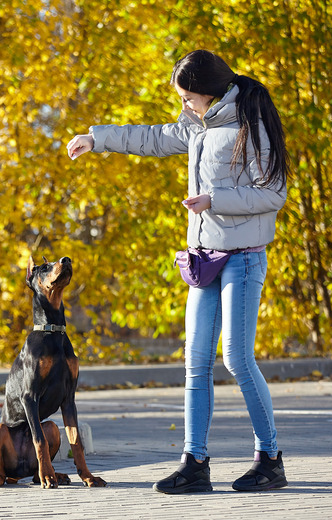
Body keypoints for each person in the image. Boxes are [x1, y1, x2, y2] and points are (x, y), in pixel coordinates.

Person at [66, 50, 290, 493]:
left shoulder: (251, 123)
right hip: (204, 257)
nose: (185, 105)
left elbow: (273, 194)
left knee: (237, 359)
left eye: (189, 98)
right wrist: (98, 139)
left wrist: (214, 200)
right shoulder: (198, 125)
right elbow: (153, 138)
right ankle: (195, 463)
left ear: (210, 92)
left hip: (243, 257)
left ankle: (270, 459)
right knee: (195, 360)